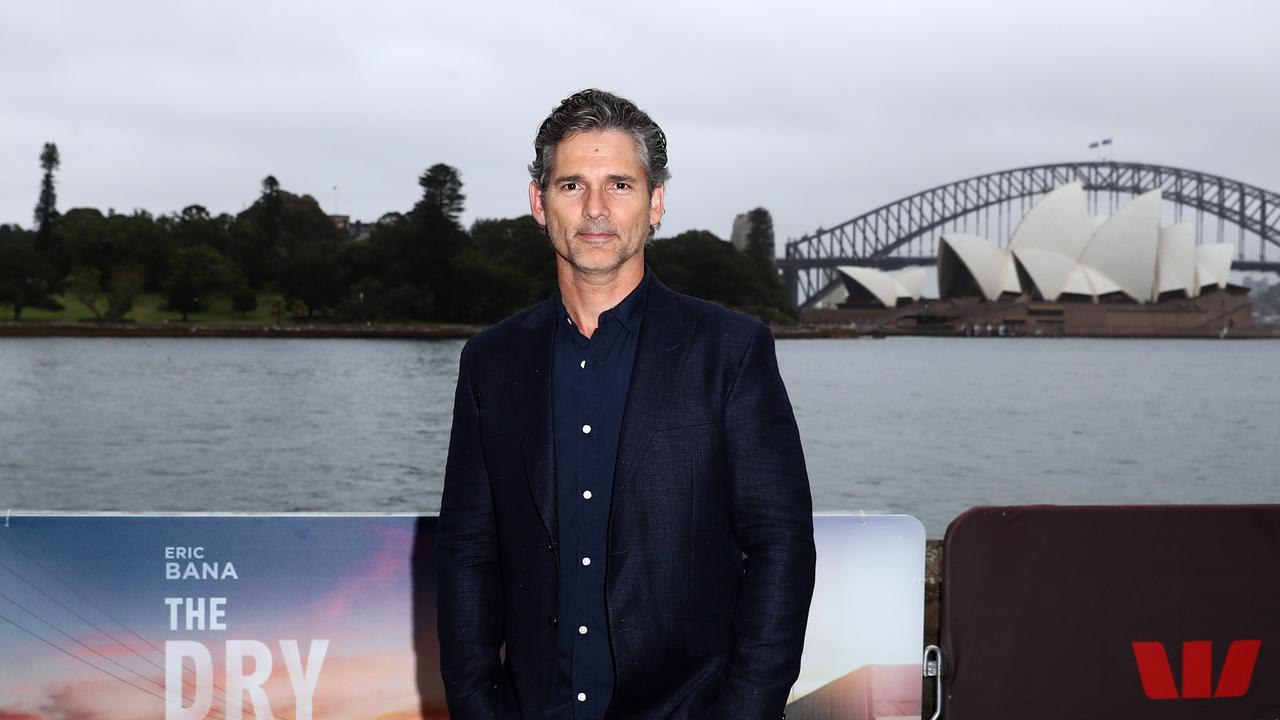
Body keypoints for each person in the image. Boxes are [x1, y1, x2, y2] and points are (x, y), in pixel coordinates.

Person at [436, 88, 815, 720]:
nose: (594, 210)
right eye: (570, 185)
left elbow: (781, 546)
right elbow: (466, 552)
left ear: (655, 202)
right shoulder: (490, 360)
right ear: (539, 203)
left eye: (618, 185)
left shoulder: (730, 350)